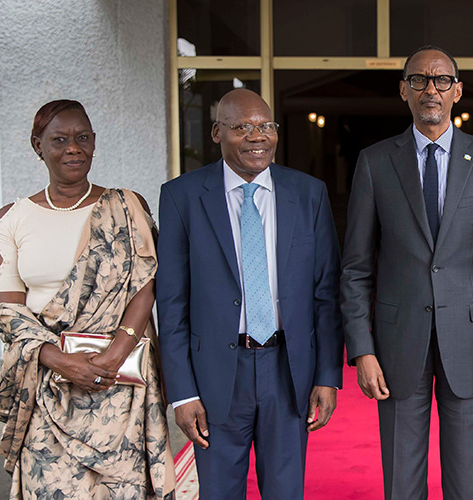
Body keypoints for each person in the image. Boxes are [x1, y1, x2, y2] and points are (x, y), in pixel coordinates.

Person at [340, 45, 473, 500]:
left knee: (467, 480)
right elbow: (356, 268)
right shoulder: (375, 161)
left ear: (457, 91)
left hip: (470, 339)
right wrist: (361, 349)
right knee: (402, 478)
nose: (431, 89)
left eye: (442, 80)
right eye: (419, 79)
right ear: (403, 90)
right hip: (399, 338)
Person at [156, 89, 343, 500]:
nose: (258, 137)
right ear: (216, 133)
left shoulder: (308, 194)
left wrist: (328, 376)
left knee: (285, 491)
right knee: (220, 492)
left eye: (266, 126)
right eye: (243, 127)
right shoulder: (182, 196)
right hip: (216, 375)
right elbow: (171, 303)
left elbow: (326, 294)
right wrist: (182, 392)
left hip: (287, 370)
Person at [0, 99, 175, 498]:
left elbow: (145, 286)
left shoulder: (127, 207)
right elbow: (8, 308)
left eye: (82, 138)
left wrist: (113, 355)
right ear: (38, 145)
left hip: (119, 384)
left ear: (94, 144)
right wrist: (62, 361)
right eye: (59, 139)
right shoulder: (12, 218)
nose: (73, 147)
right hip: (47, 381)